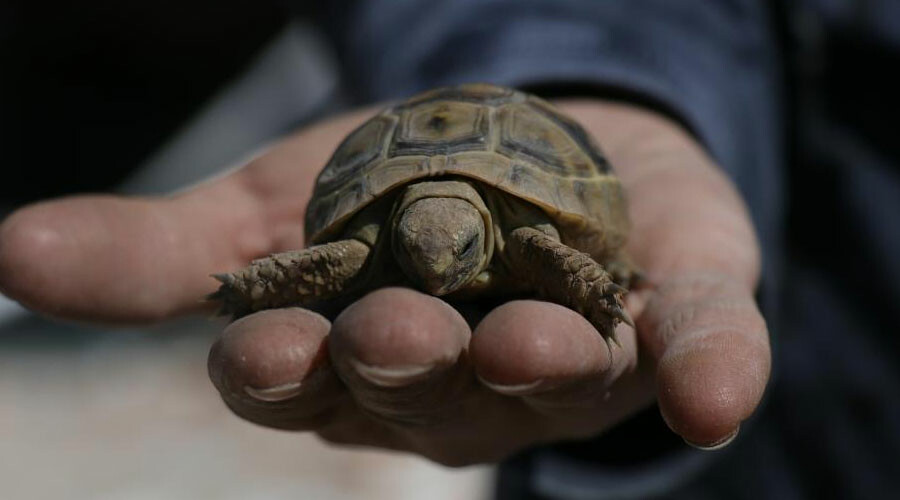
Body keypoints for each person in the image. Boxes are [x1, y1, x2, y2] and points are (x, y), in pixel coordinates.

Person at [1, 1, 897, 498]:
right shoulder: (374, 246)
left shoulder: (530, 238)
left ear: (484, 233)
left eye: (456, 253)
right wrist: (258, 285)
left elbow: (561, 261)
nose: (437, 269)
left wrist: (597, 288)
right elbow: (332, 263)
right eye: (423, 252)